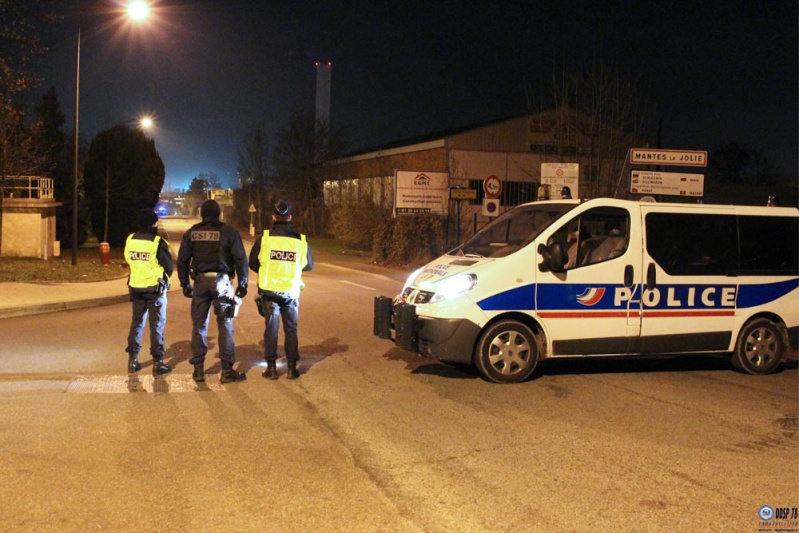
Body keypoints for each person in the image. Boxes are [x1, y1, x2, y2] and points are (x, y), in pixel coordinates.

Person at [177, 199, 249, 383]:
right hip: (222, 283)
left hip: (200, 282)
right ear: (219, 214)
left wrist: (184, 283)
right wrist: (243, 284)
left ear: (202, 214)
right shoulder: (229, 232)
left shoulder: (192, 233)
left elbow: (182, 261)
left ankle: (198, 370)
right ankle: (227, 371)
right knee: (225, 325)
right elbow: (240, 259)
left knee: (199, 326)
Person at [248, 201, 313, 380]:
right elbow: (309, 266)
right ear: (290, 217)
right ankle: (292, 368)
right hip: (290, 291)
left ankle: (271, 368)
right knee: (291, 328)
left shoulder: (264, 238)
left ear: (273, 218)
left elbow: (253, 263)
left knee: (271, 327)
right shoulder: (300, 241)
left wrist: (267, 270)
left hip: (269, 290)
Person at [124, 208, 174, 376]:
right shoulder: (157, 242)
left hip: (136, 287)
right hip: (154, 289)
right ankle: (158, 362)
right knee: (156, 325)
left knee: (137, 323)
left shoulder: (130, 239)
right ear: (152, 223)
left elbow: (128, 259)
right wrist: (163, 279)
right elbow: (168, 266)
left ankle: (132, 361)